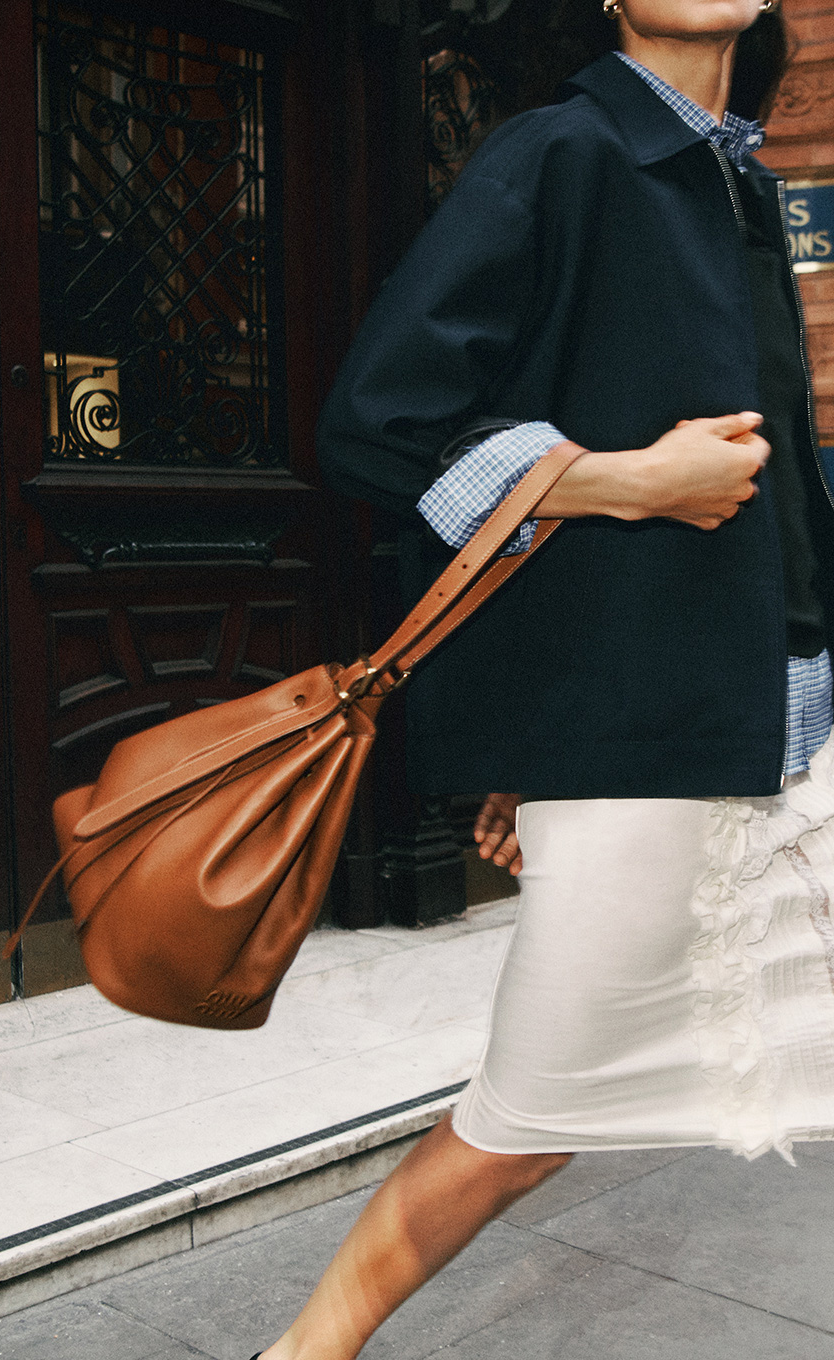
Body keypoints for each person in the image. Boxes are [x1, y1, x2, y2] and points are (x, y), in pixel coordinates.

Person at [255, 2, 834, 1357]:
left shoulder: (739, 177)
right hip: (654, 746)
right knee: (527, 1124)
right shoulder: (562, 155)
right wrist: (629, 480)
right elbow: (376, 429)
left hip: (792, 718)